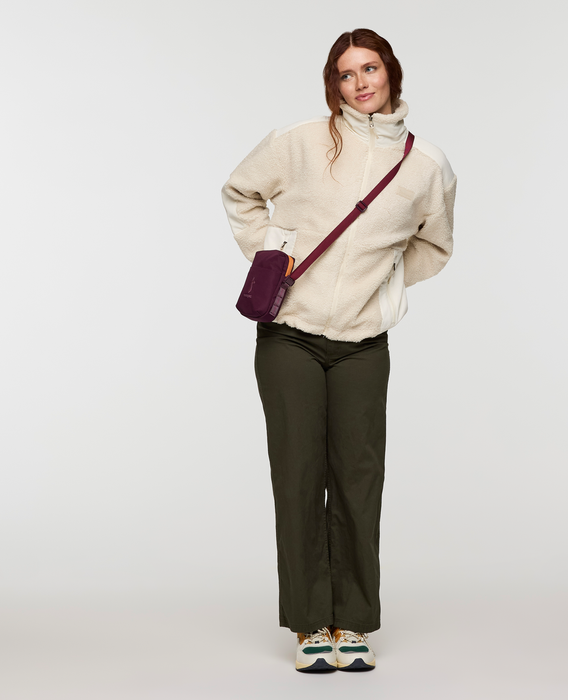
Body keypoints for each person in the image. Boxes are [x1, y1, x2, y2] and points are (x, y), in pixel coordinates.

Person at [222, 28, 456, 672]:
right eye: (346, 74)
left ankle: (352, 621)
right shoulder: (298, 141)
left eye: (370, 68)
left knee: (358, 478)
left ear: (391, 72)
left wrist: (381, 288)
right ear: (334, 84)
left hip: (362, 345)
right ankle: (308, 625)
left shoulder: (426, 164)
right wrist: (275, 253)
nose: (360, 83)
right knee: (298, 477)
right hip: (290, 336)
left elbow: (435, 245)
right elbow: (240, 192)